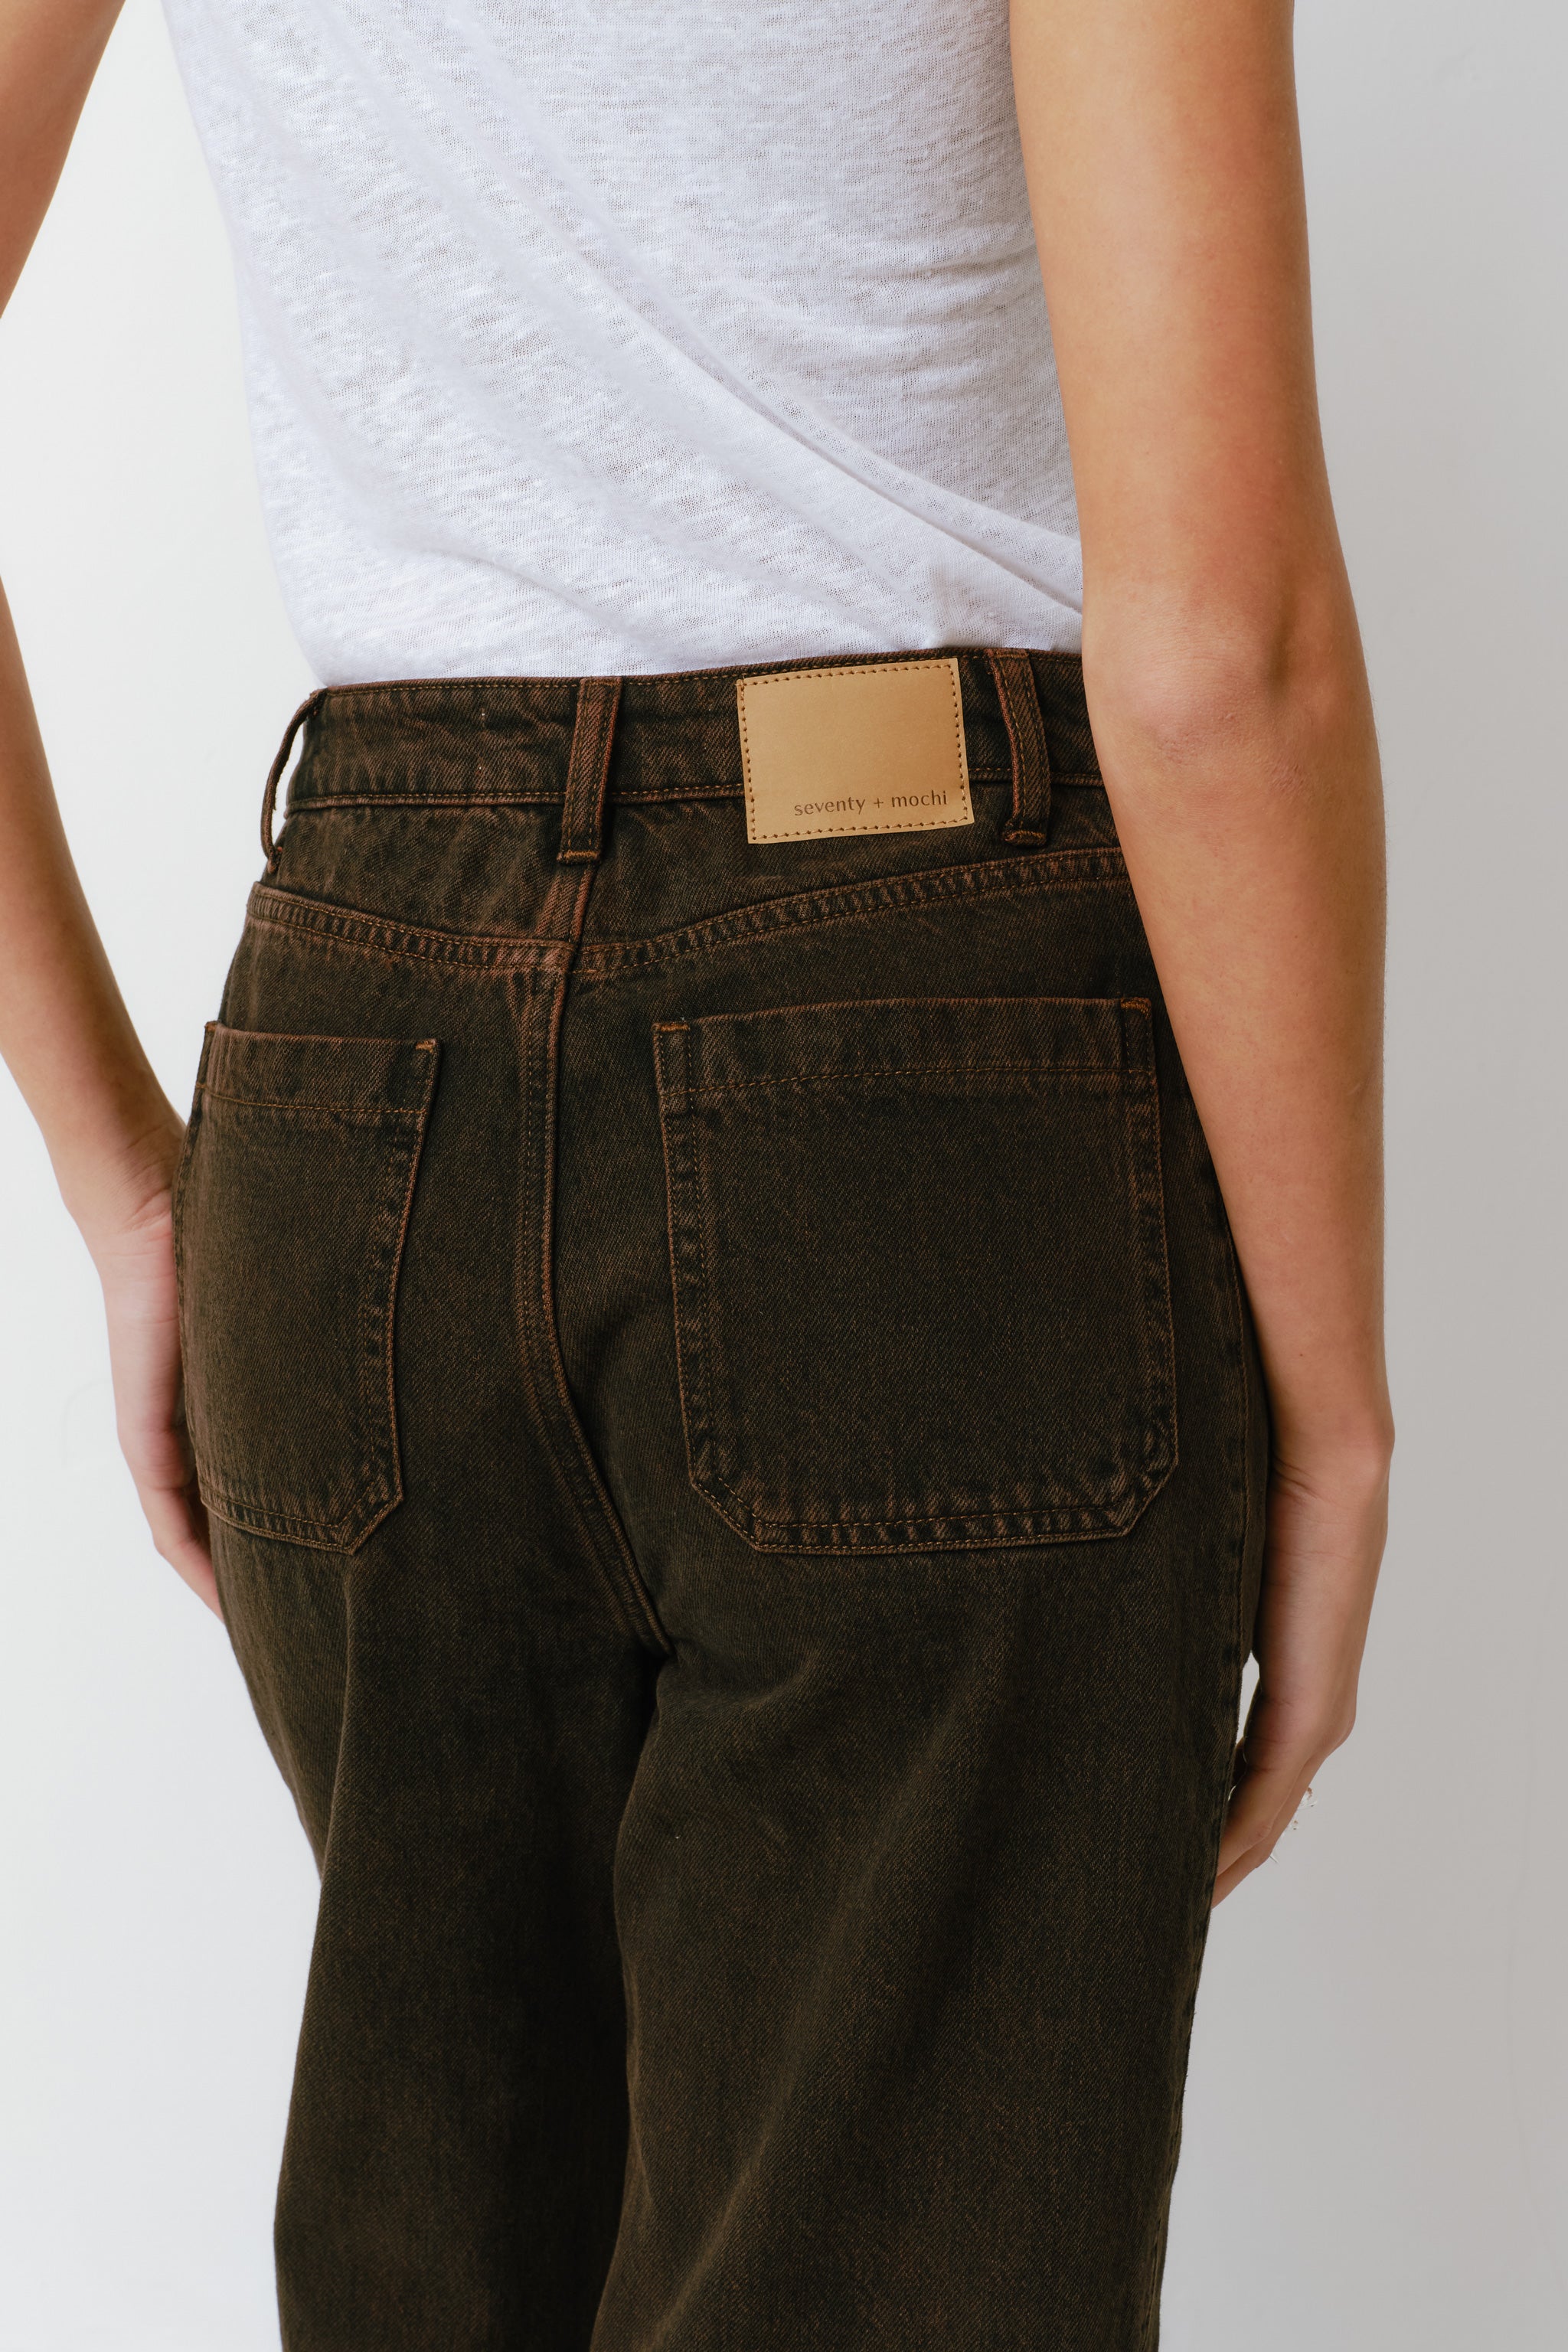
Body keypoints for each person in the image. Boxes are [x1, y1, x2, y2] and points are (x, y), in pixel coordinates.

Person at [0, 2, 1393, 2344]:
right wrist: (1334, 1403)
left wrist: (131, 1179)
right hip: (924, 1079)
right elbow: (1216, 656)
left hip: (362, 1069)